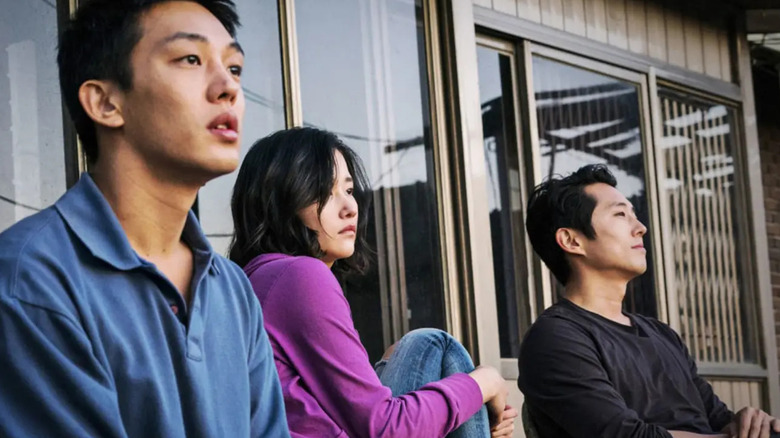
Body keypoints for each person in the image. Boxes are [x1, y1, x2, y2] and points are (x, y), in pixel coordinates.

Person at [0, 0, 289, 436]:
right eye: (191, 59)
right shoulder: (29, 281)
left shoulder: (232, 291)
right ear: (105, 102)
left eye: (234, 68)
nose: (228, 87)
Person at [229, 127, 517, 437]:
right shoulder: (299, 276)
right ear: (281, 201)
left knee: (420, 352)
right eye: (323, 191)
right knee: (434, 344)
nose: (350, 207)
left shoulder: (254, 281)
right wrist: (484, 382)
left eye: (349, 190)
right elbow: (385, 429)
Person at [518, 164, 780, 438]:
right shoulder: (555, 339)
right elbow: (626, 436)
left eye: (634, 215)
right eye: (620, 214)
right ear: (572, 241)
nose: (641, 228)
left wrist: (750, 424)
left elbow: (717, 420)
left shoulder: (662, 335)